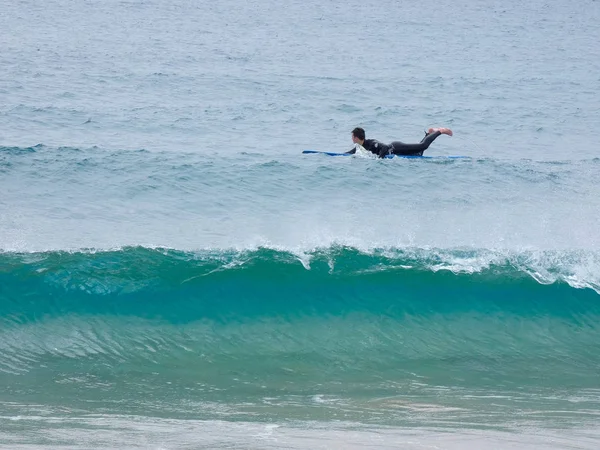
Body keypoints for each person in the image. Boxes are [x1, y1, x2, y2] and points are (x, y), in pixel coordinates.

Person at [346, 126, 453, 158]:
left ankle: (440, 131)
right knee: (418, 154)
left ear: (356, 138)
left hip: (396, 147)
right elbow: (350, 152)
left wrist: (380, 160)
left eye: (352, 137)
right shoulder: (360, 147)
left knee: (423, 146)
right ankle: (429, 134)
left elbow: (384, 147)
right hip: (396, 151)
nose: (352, 139)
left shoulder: (371, 143)